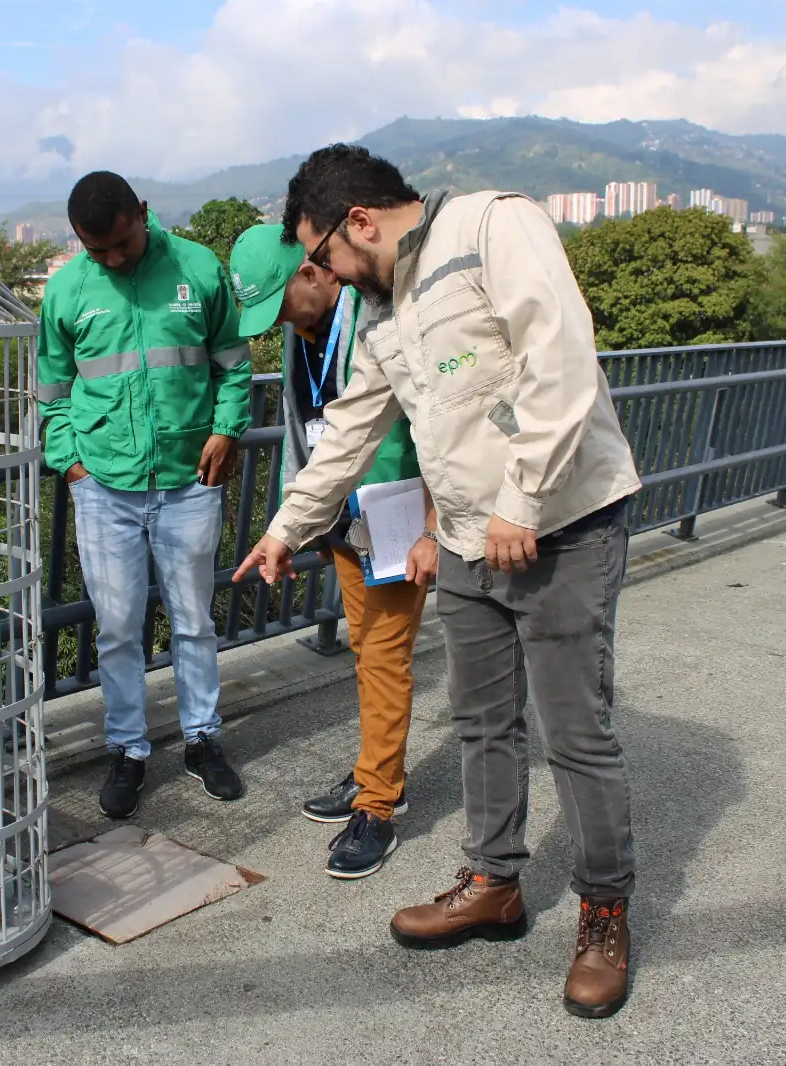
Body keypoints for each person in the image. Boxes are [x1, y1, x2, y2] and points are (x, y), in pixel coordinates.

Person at [233, 145, 644, 1019]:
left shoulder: (496, 225)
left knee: (576, 735)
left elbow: (562, 359)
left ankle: (605, 912)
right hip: (464, 536)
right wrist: (285, 529)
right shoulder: (381, 308)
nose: (330, 278)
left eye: (325, 258)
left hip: (560, 525)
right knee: (483, 723)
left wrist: (523, 500)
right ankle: (494, 881)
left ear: (361, 222)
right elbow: (350, 426)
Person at [39, 171, 253, 820]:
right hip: (103, 487)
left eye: (120, 245)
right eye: (95, 249)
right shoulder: (67, 289)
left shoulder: (198, 269)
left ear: (144, 214)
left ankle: (202, 739)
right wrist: (68, 463)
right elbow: (51, 390)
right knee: (117, 629)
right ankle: (128, 749)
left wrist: (227, 429)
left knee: (193, 621)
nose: (110, 260)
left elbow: (233, 364)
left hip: (189, 480)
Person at [227, 223, 436, 880]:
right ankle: (376, 771)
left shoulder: (379, 317)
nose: (282, 321)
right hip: (343, 516)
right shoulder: (303, 333)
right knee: (363, 646)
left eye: (284, 303)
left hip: (397, 507)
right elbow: (302, 426)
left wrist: (435, 517)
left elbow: (439, 419)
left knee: (385, 655)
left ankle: (378, 802)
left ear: (315, 272)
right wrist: (296, 522)